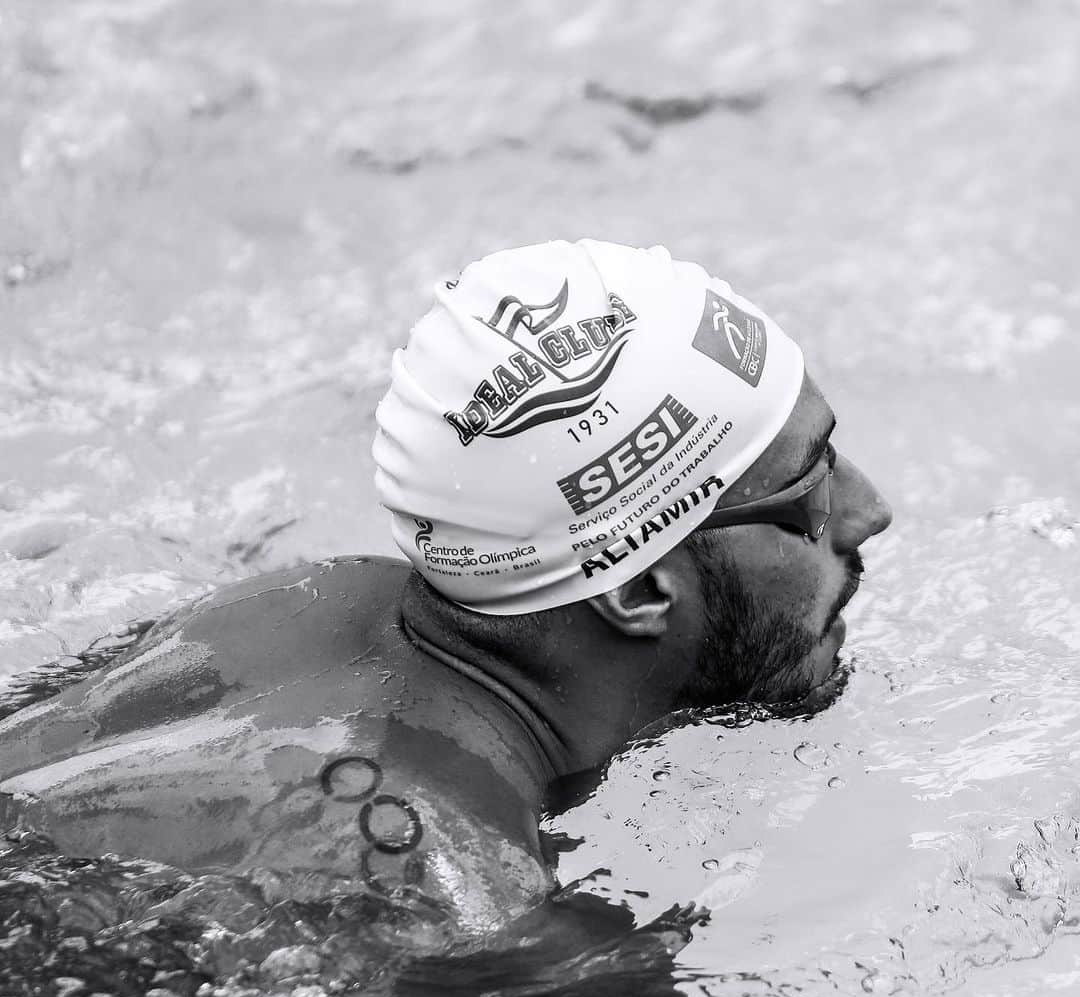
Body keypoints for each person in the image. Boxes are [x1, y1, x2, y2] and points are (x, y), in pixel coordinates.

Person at [0, 240, 891, 935]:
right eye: (809, 488)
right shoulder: (452, 898)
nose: (868, 511)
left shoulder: (273, 608)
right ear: (637, 590)